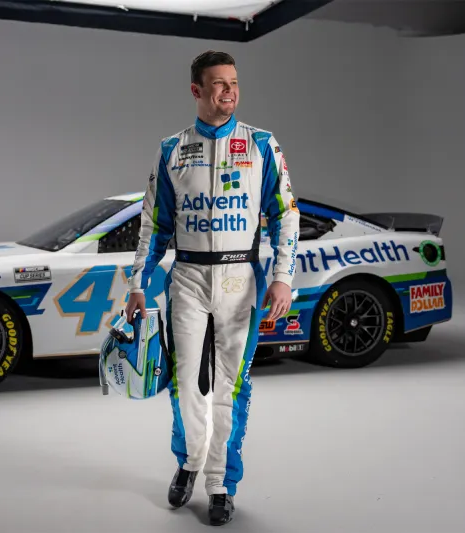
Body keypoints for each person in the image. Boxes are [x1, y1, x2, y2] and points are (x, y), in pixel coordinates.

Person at [125, 50, 300, 526]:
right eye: (219, 83)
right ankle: (189, 463)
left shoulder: (262, 145)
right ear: (196, 91)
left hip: (240, 277)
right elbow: (154, 223)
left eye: (234, 82)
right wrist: (138, 282)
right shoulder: (171, 149)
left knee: (231, 387)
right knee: (185, 384)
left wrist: (283, 276)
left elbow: (286, 214)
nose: (229, 91)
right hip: (187, 277)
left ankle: (221, 483)